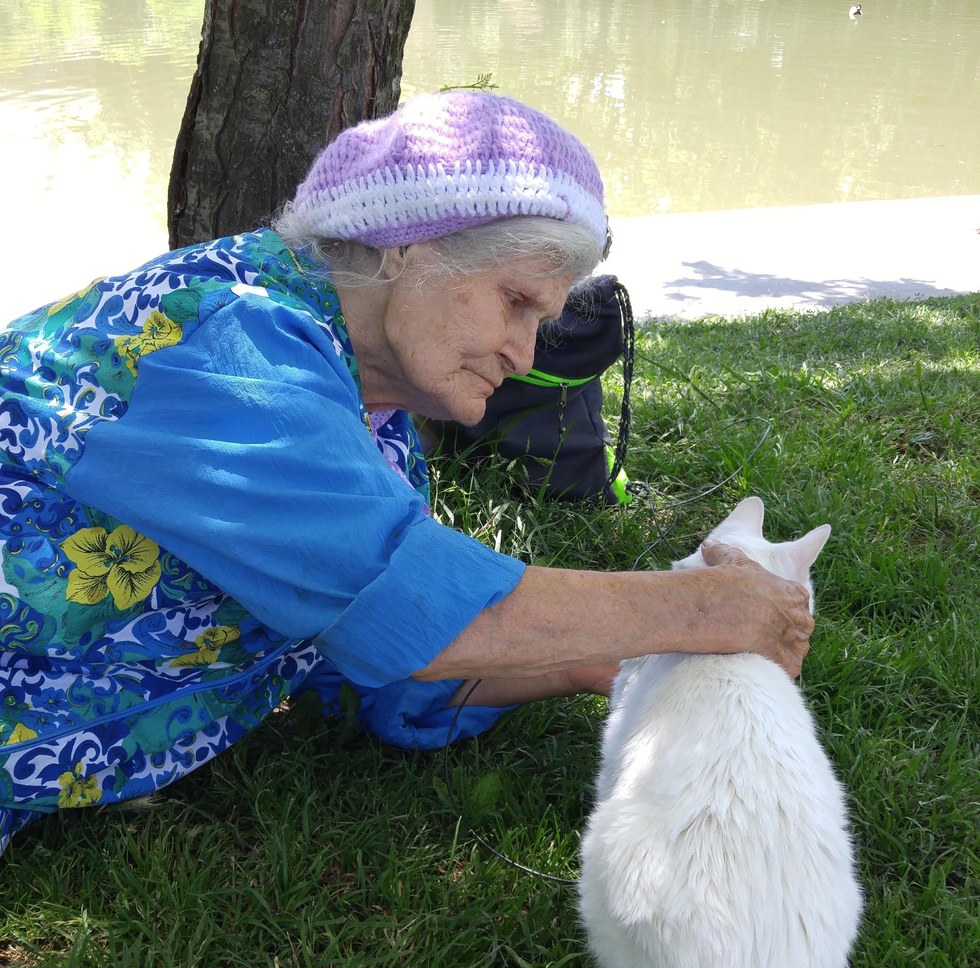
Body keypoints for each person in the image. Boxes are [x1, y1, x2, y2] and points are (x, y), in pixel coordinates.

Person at [0, 91, 813, 856]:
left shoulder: (372, 426)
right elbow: (414, 606)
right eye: (516, 301)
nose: (525, 356)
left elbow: (374, 660)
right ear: (407, 248)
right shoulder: (234, 345)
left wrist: (584, 661)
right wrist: (701, 607)